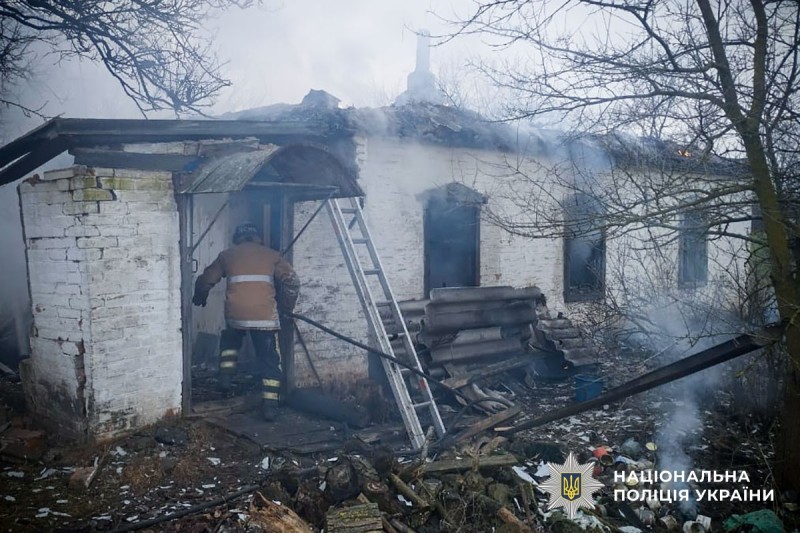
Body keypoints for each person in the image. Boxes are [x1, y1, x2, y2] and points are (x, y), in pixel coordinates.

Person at [192, 222, 300, 421]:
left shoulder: (227, 255)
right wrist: (285, 308)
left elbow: (206, 278)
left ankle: (225, 379)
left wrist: (200, 295)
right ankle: (270, 407)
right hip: (264, 316)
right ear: (257, 237)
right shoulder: (272, 255)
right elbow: (292, 281)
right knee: (268, 359)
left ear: (237, 238)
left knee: (230, 344)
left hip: (236, 314)